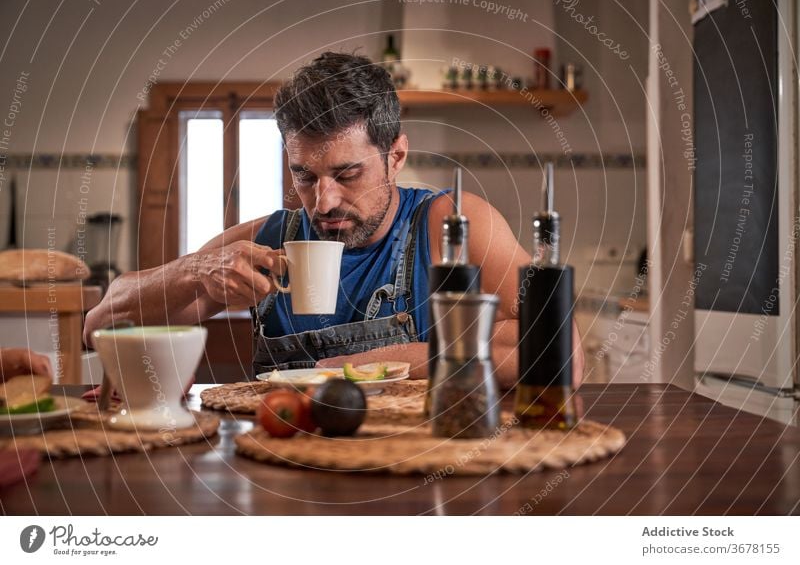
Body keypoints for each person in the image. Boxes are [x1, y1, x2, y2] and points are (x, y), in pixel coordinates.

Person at [83, 52, 584, 388]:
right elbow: (99, 323)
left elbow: (564, 353)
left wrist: (393, 361)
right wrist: (198, 270)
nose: (322, 202)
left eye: (347, 174)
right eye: (304, 176)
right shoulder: (266, 238)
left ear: (396, 156)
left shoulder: (449, 224)